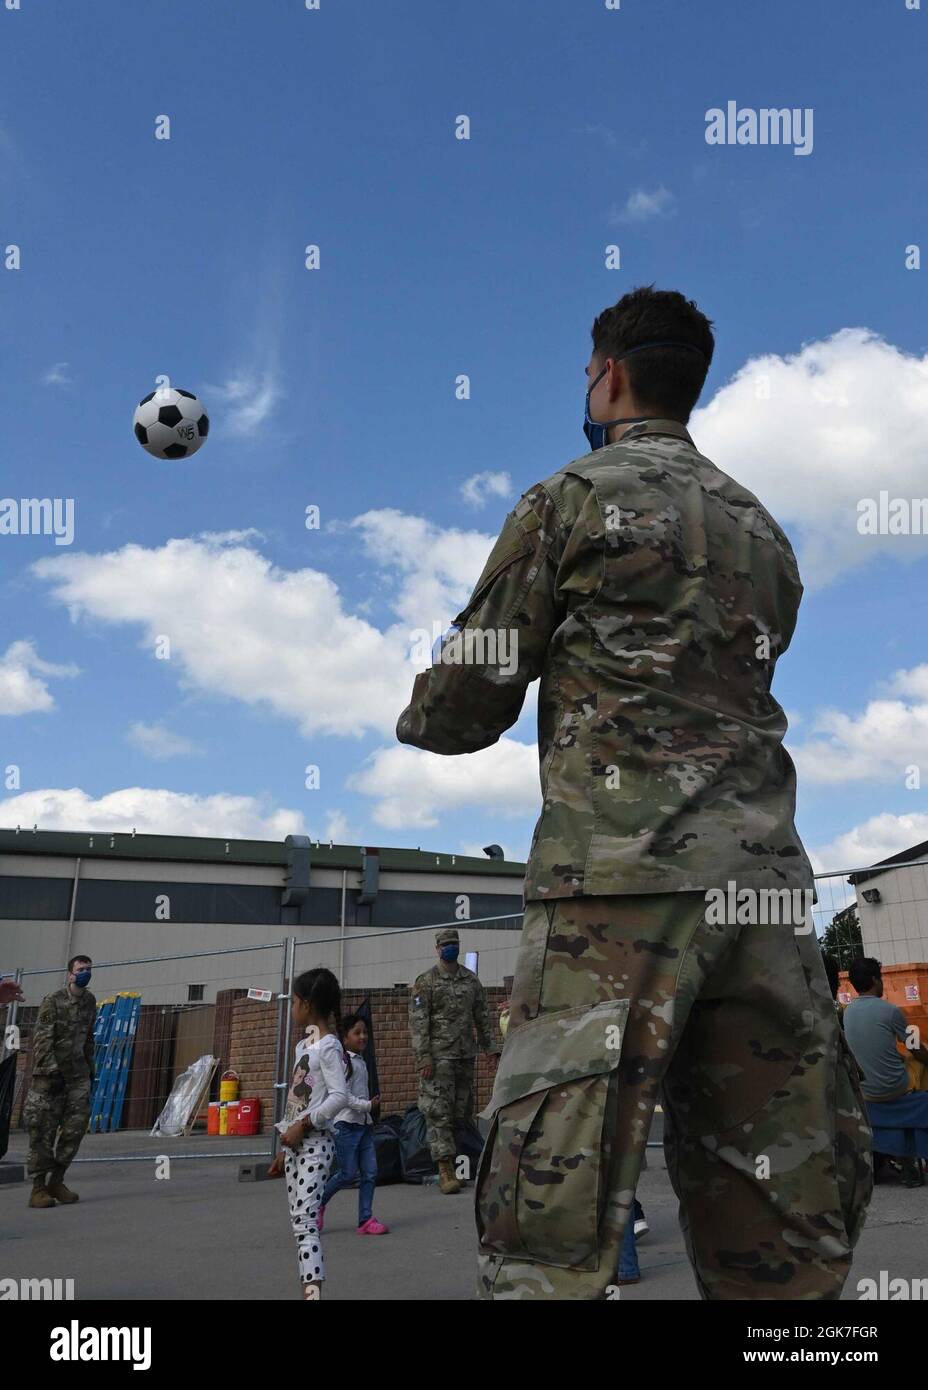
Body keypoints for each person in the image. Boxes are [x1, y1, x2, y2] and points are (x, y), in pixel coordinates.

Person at [396, 285, 873, 1300]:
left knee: (550, 1210)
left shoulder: (566, 499)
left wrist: (420, 715)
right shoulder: (764, 532)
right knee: (785, 1216)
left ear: (609, 375)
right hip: (765, 895)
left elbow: (470, 693)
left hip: (615, 890)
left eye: (587, 372)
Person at [267, 967, 351, 1299]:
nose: (292, 1008)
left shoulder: (328, 1046)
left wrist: (303, 1126)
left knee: (306, 1225)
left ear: (307, 1004)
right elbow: (298, 1100)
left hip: (316, 1144)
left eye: (295, 1001)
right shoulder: (306, 1043)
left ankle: (312, 1293)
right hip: (296, 1147)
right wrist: (285, 1146)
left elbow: (339, 1097)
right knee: (300, 1225)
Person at [408, 927, 494, 1195]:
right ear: (437, 949)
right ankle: (444, 1169)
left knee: (460, 1113)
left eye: (453, 943)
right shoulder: (427, 982)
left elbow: (482, 1015)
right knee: (438, 1113)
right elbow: (419, 1023)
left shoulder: (471, 981)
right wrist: (424, 1058)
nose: (450, 948)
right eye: (445, 944)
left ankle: (457, 1164)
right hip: (439, 1058)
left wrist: (490, 1049)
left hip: (465, 1056)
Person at [843, 956, 928, 1188]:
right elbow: (915, 1046)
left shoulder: (847, 1013)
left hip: (865, 1091)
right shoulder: (891, 1011)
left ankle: (896, 1158)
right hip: (894, 1089)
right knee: (920, 1065)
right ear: (874, 980)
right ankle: (914, 1155)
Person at [23, 955, 96, 1209]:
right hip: (51, 1078)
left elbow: (88, 1039)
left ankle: (57, 1180)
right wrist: (52, 1071)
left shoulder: (89, 1002)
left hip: (77, 1077)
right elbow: (42, 1040)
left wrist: (90, 1071)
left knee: (75, 1130)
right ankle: (38, 1188)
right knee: (43, 1131)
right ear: (70, 974)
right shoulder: (53, 1002)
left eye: (88, 969)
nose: (85, 972)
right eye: (80, 969)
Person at [319, 1013, 389, 1235]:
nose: (363, 1037)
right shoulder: (343, 1062)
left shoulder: (361, 1061)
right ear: (345, 1038)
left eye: (365, 1032)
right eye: (357, 1033)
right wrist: (368, 1106)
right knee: (347, 1174)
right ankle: (317, 1205)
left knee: (370, 1172)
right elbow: (343, 1096)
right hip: (346, 1126)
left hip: (364, 1126)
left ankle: (365, 1220)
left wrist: (369, 1111)